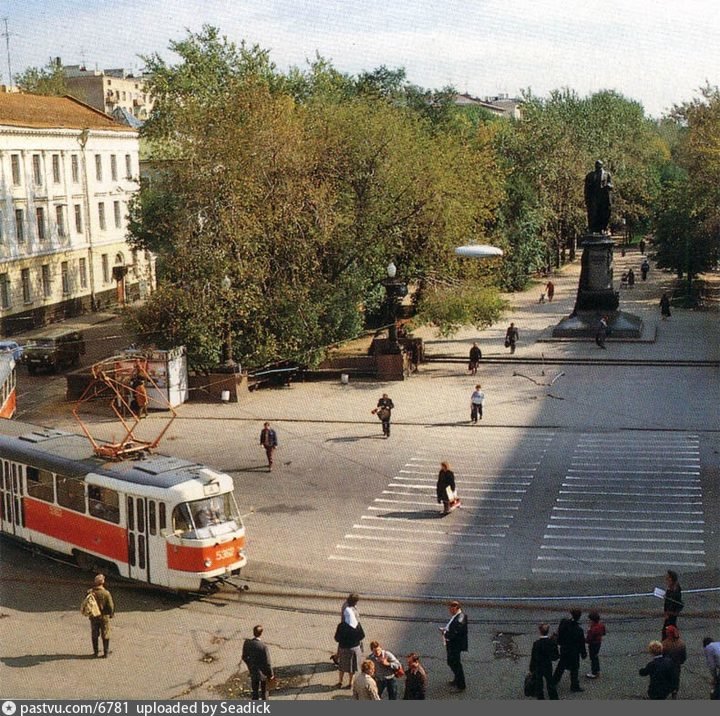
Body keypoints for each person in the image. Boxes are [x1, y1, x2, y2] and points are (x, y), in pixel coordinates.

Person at [553, 608, 587, 693]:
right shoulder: (579, 630)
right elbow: (581, 644)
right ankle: (574, 686)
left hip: (564, 649)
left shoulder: (564, 622)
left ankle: (553, 681)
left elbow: (559, 634)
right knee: (574, 669)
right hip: (574, 652)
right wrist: (583, 653)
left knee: (561, 666)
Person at [335, 603, 365, 689]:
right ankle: (350, 683)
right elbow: (362, 636)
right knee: (352, 667)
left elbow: (337, 638)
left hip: (344, 648)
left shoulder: (341, 626)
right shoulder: (357, 625)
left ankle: (340, 681)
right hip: (355, 649)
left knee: (342, 666)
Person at [440, 601, 468, 691]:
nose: (450, 610)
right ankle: (457, 679)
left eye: (451, 609)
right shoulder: (458, 616)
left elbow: (453, 633)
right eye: (449, 608)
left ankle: (461, 685)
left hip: (455, 645)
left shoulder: (459, 619)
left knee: (455, 664)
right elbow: (452, 628)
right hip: (453, 644)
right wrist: (446, 629)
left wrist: (444, 632)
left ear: (456, 608)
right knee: (451, 662)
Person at [241, 625, 274, 701]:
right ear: (261, 633)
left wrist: (250, 665)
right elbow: (268, 663)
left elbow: (244, 657)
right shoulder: (263, 646)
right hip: (263, 673)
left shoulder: (247, 643)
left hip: (253, 671)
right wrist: (271, 675)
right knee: (264, 693)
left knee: (255, 692)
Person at [87, 573, 114, 658]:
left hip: (94, 616)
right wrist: (111, 613)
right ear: (102, 582)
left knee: (94, 633)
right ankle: (106, 653)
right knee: (105, 633)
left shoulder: (90, 592)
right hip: (104, 616)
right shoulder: (106, 593)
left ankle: (95, 652)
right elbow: (111, 605)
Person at [584, 160, 613, 234]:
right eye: (596, 166)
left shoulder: (607, 174)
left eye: (599, 166)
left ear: (602, 166)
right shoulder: (590, 175)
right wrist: (586, 199)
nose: (598, 167)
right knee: (593, 214)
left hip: (603, 198)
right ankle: (592, 229)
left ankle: (602, 229)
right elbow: (586, 188)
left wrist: (609, 186)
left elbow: (611, 184)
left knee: (603, 214)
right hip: (593, 198)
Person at [332, 593, 360, 668]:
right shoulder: (347, 607)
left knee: (343, 645)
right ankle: (339, 658)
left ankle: (337, 657)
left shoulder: (349, 605)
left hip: (350, 628)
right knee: (345, 645)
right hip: (348, 629)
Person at [661, 625, 687, 699]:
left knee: (666, 678)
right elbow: (684, 656)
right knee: (675, 679)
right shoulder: (681, 643)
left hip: (666, 665)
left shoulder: (664, 644)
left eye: (667, 631)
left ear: (669, 633)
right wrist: (680, 662)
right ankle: (674, 692)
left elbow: (661, 655)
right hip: (676, 665)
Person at [585, 610, 606, 679]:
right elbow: (604, 633)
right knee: (595, 657)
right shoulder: (601, 625)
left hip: (593, 644)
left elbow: (589, 639)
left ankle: (594, 672)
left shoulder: (593, 628)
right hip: (598, 643)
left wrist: (588, 630)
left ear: (592, 620)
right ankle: (597, 671)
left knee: (593, 658)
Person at [662, 569, 683, 638]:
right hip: (670, 613)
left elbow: (674, 603)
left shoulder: (675, 591)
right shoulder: (671, 589)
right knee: (669, 628)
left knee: (668, 629)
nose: (666, 580)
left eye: (667, 578)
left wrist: (668, 613)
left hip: (671, 614)